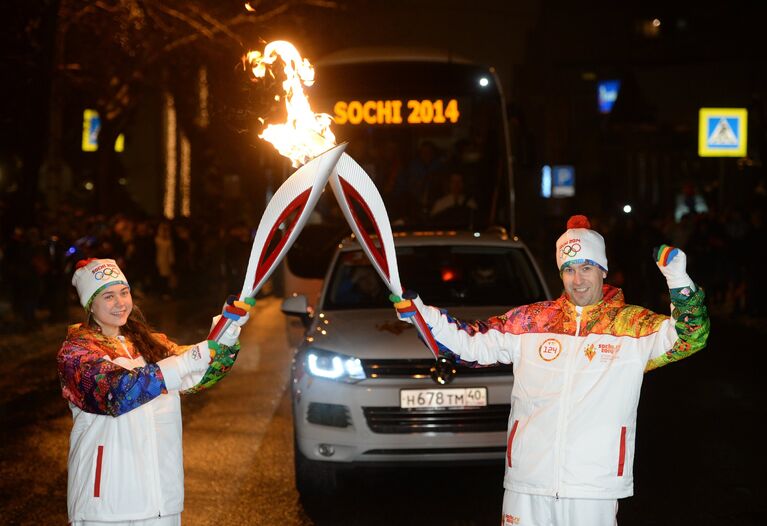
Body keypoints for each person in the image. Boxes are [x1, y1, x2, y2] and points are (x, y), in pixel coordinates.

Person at [392, 215, 710, 526]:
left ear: (603, 271)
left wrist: (678, 280)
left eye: (587, 268)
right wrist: (422, 315)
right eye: (569, 270)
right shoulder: (532, 321)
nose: (578, 279)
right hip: (528, 480)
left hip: (592, 486)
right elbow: (469, 344)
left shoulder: (632, 327)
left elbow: (690, 337)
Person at [57, 258, 253, 525]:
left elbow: (199, 374)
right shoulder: (76, 352)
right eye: (108, 296)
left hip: (163, 498)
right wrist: (186, 361)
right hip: (107, 505)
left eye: (124, 293)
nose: (120, 303)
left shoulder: (150, 344)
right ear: (91, 304)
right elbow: (116, 393)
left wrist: (227, 331)